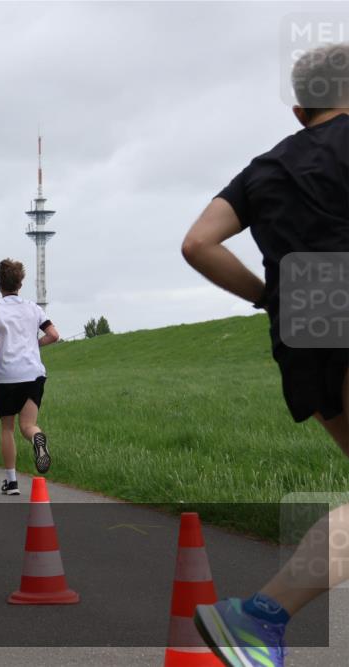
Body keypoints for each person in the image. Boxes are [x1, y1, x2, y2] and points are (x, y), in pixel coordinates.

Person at [182, 43, 349, 667]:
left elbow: (199, 243)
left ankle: (260, 619)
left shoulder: (265, 167)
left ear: (302, 104)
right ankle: (257, 617)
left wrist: (265, 297)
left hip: (303, 324)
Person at [0, 259, 59, 495]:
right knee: (28, 425)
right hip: (33, 373)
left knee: (7, 428)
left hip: (7, 376)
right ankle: (37, 438)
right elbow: (54, 334)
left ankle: (12, 482)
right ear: (20, 283)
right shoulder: (34, 308)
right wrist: (34, 344)